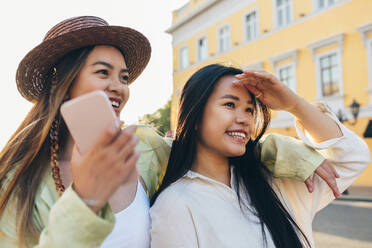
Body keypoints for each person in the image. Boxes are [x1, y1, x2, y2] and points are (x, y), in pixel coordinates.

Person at [0, 16, 339, 247]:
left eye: (124, 77)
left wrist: (289, 152)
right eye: (103, 72)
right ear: (62, 80)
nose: (118, 86)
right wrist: (86, 200)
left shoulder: (144, 149)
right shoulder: (17, 182)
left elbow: (205, 144)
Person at [150, 64, 370, 248]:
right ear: (195, 116)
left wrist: (294, 104)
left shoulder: (278, 182)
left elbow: (353, 157)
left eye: (249, 110)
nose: (245, 119)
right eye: (229, 104)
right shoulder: (176, 205)